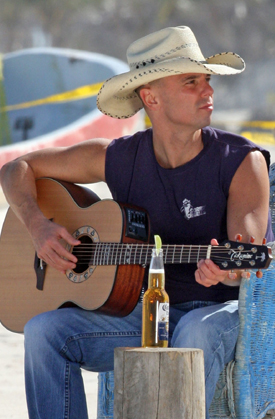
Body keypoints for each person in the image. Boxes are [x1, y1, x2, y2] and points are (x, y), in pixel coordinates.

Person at [0, 26, 273, 419]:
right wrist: (38, 225)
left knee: (191, 333)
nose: (208, 91)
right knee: (44, 333)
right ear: (151, 97)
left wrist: (225, 272)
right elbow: (17, 168)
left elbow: (245, 260)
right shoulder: (120, 157)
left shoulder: (241, 161)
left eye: (207, 81)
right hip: (143, 312)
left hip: (216, 313)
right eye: (191, 81)